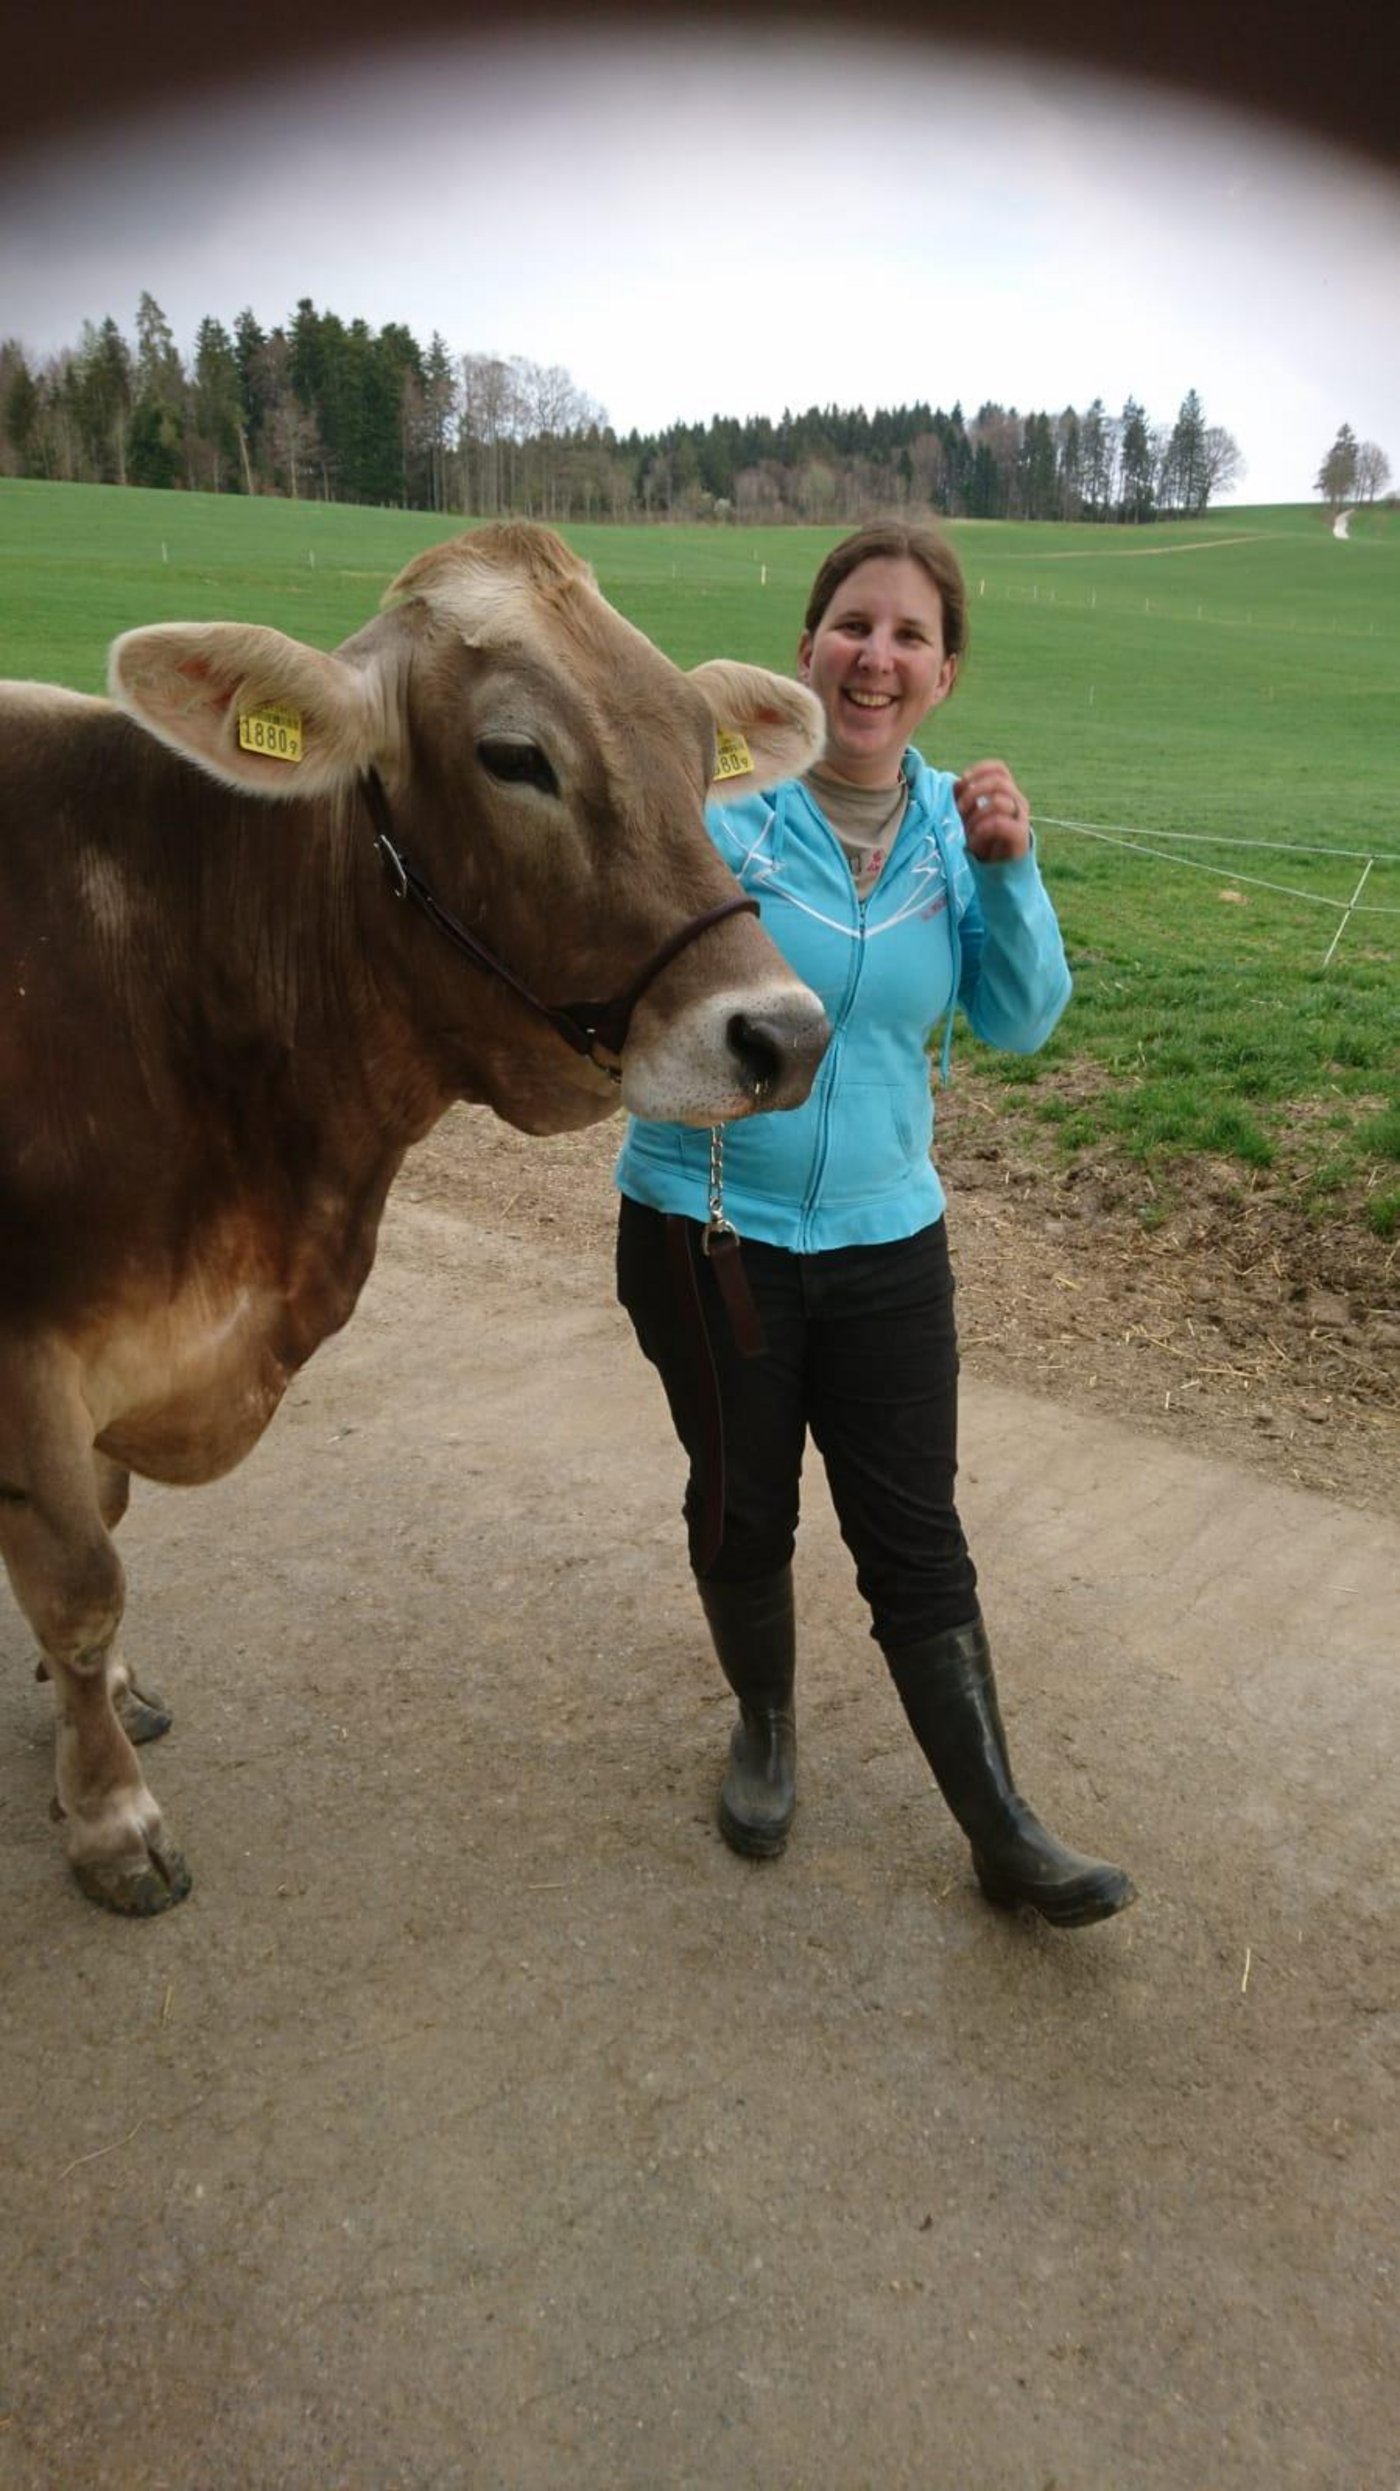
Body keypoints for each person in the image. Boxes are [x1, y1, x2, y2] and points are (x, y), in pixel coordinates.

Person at [615, 522, 1134, 1929]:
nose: (877, 657)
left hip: (890, 1239)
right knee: (743, 1504)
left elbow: (1022, 1022)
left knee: (916, 1534)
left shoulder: (965, 826)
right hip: (708, 1227)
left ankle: (1002, 1828)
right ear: (804, 652)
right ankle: (768, 1730)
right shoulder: (721, 811)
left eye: (909, 636)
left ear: (943, 676)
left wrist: (1013, 870)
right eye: (854, 624)